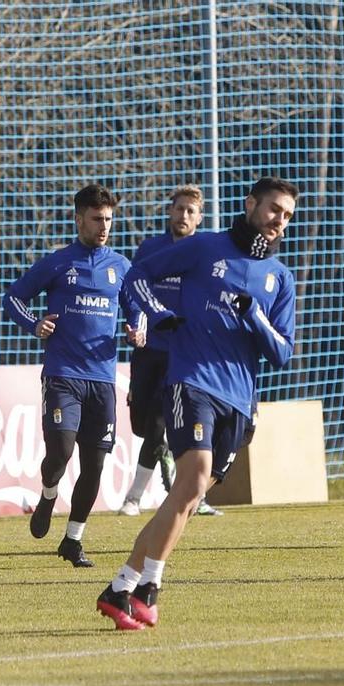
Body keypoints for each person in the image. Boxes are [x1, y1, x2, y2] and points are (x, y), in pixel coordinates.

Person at [94, 177, 298, 630]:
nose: (278, 221)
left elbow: (282, 352)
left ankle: (123, 586)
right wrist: (160, 315)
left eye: (286, 216)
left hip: (240, 401)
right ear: (251, 205)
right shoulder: (206, 247)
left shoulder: (280, 277)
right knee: (194, 479)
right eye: (273, 210)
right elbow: (136, 278)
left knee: (187, 497)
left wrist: (256, 318)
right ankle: (148, 585)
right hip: (192, 381)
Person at [3, 184, 130, 568]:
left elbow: (138, 306)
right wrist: (34, 324)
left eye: (108, 219)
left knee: (94, 465)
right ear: (79, 219)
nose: (103, 226)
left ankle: (73, 540)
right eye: (96, 219)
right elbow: (13, 298)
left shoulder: (121, 267)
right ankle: (47, 493)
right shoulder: (58, 263)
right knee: (59, 451)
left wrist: (137, 328)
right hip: (63, 374)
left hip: (103, 379)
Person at [115, 185, 222, 518]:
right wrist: (137, 321)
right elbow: (132, 289)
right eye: (179, 209)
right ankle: (174, 478)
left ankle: (136, 498)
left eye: (191, 211)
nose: (184, 216)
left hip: (185, 357)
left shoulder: (205, 252)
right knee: (144, 427)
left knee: (167, 426)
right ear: (170, 211)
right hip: (150, 353)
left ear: (199, 217)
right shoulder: (151, 248)